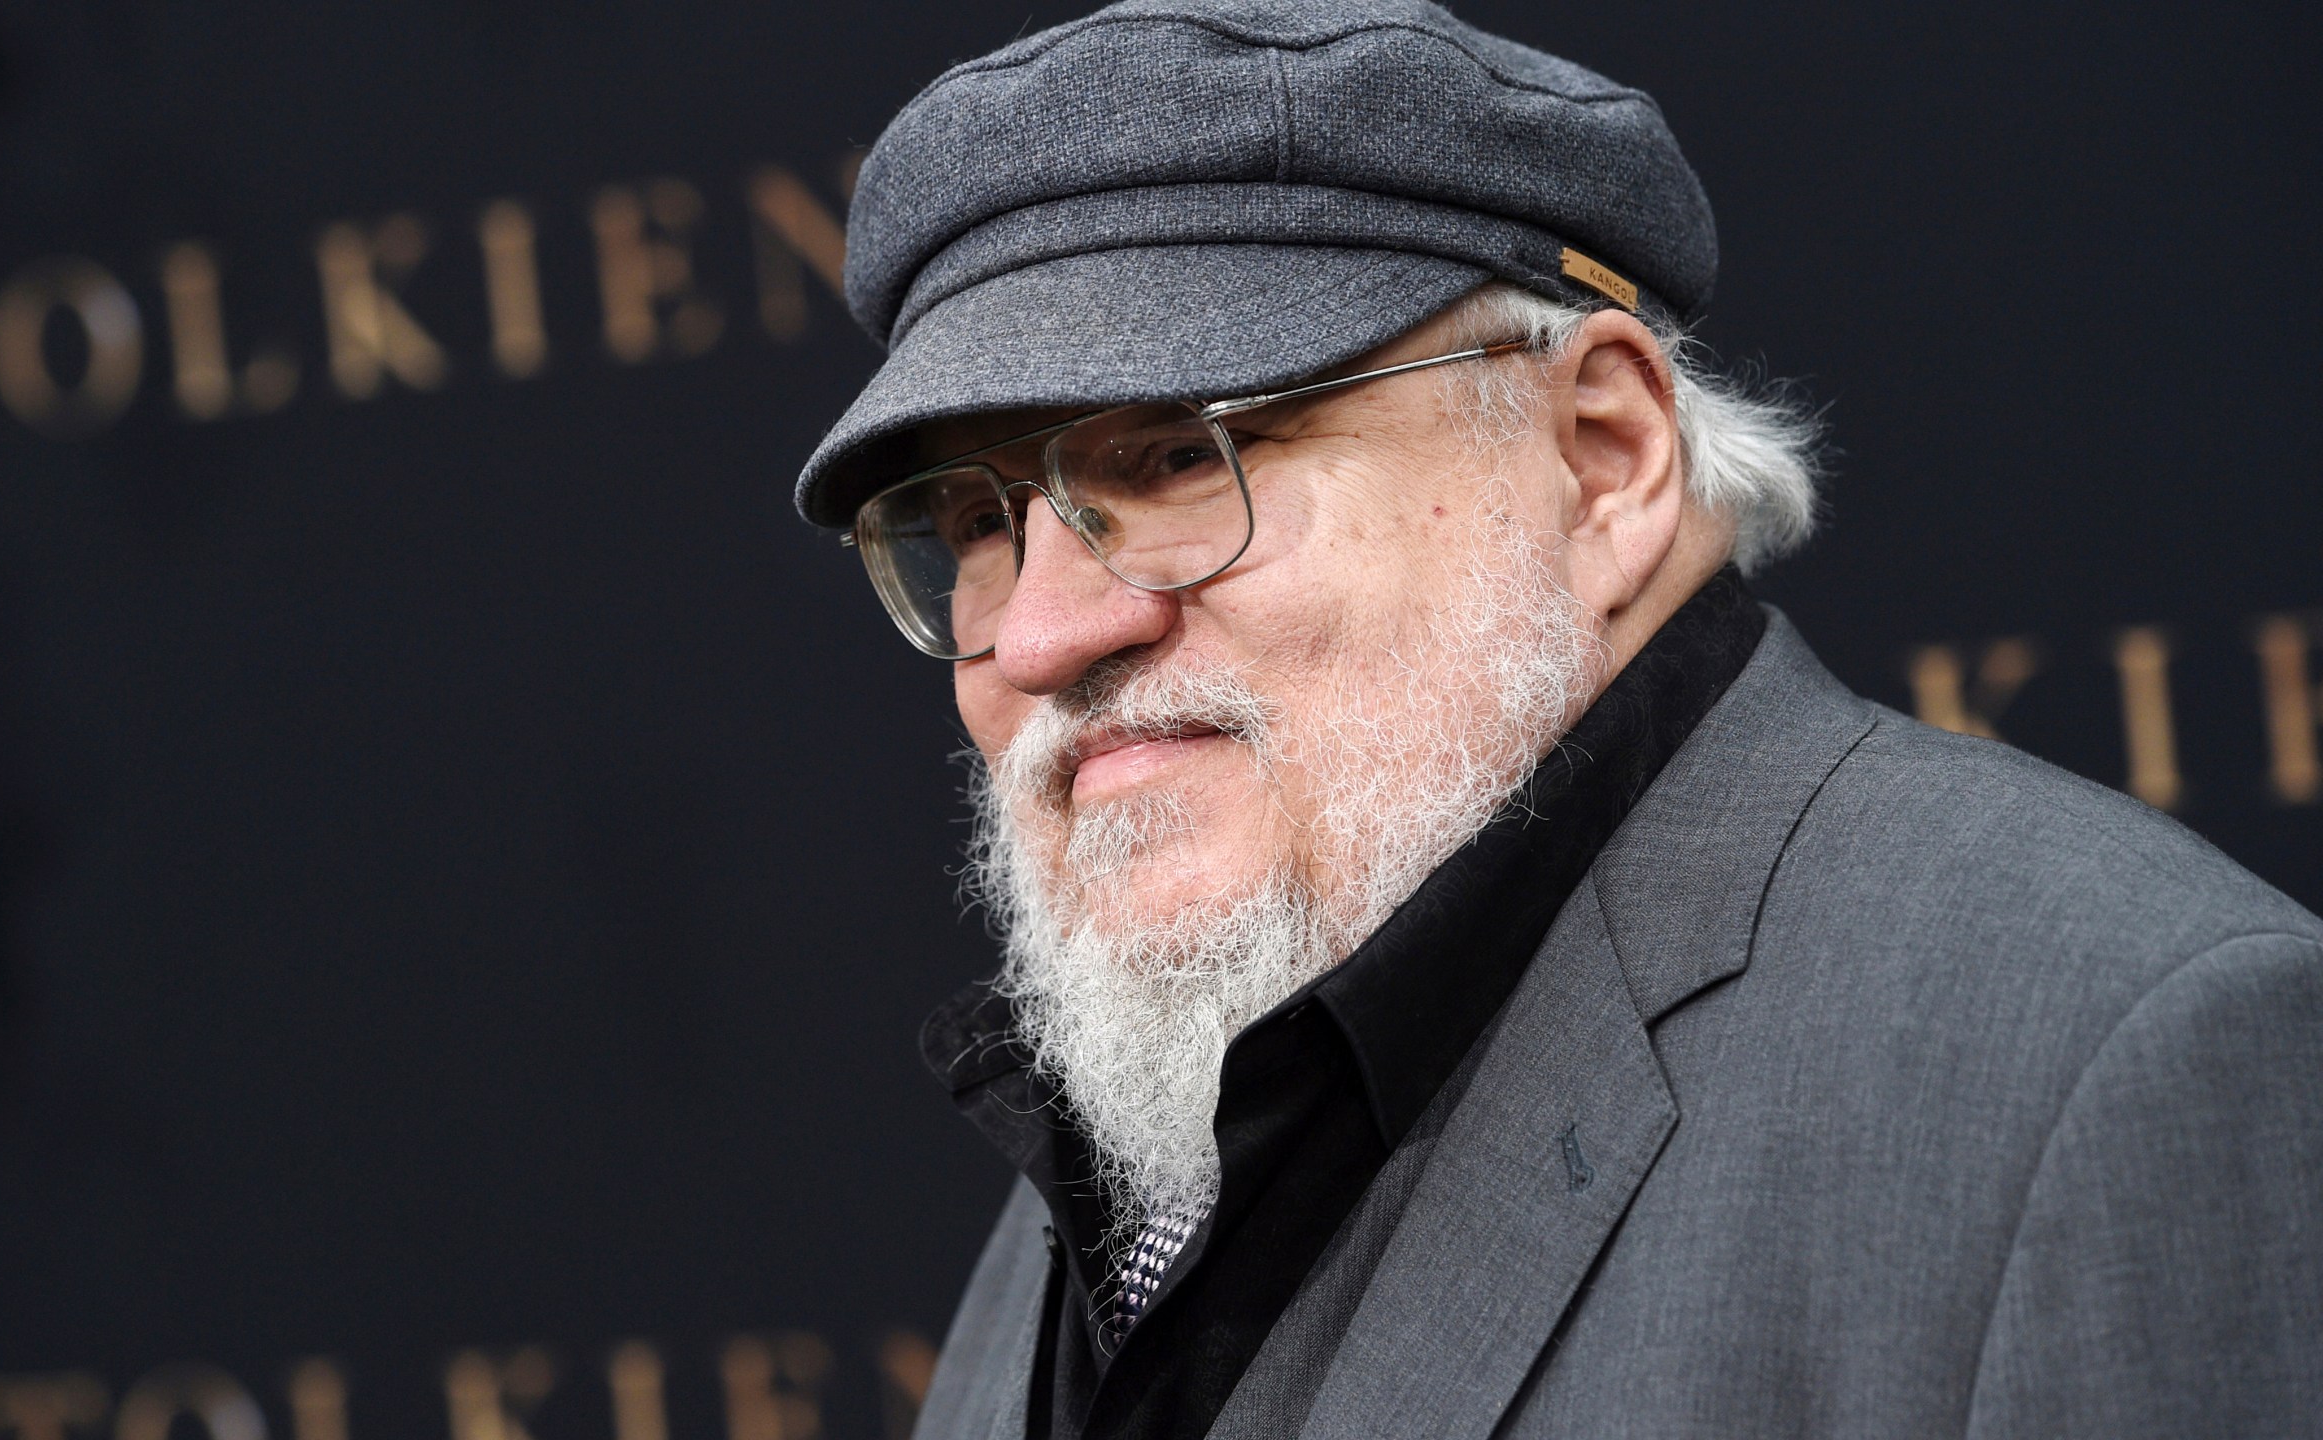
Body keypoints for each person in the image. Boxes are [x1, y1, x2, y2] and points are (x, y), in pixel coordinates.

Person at [792, 2, 2323, 1436]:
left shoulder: (2106, 1062)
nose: (1047, 631)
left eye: (1185, 460)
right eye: (975, 523)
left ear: (1604, 459)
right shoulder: (1168, 1094)